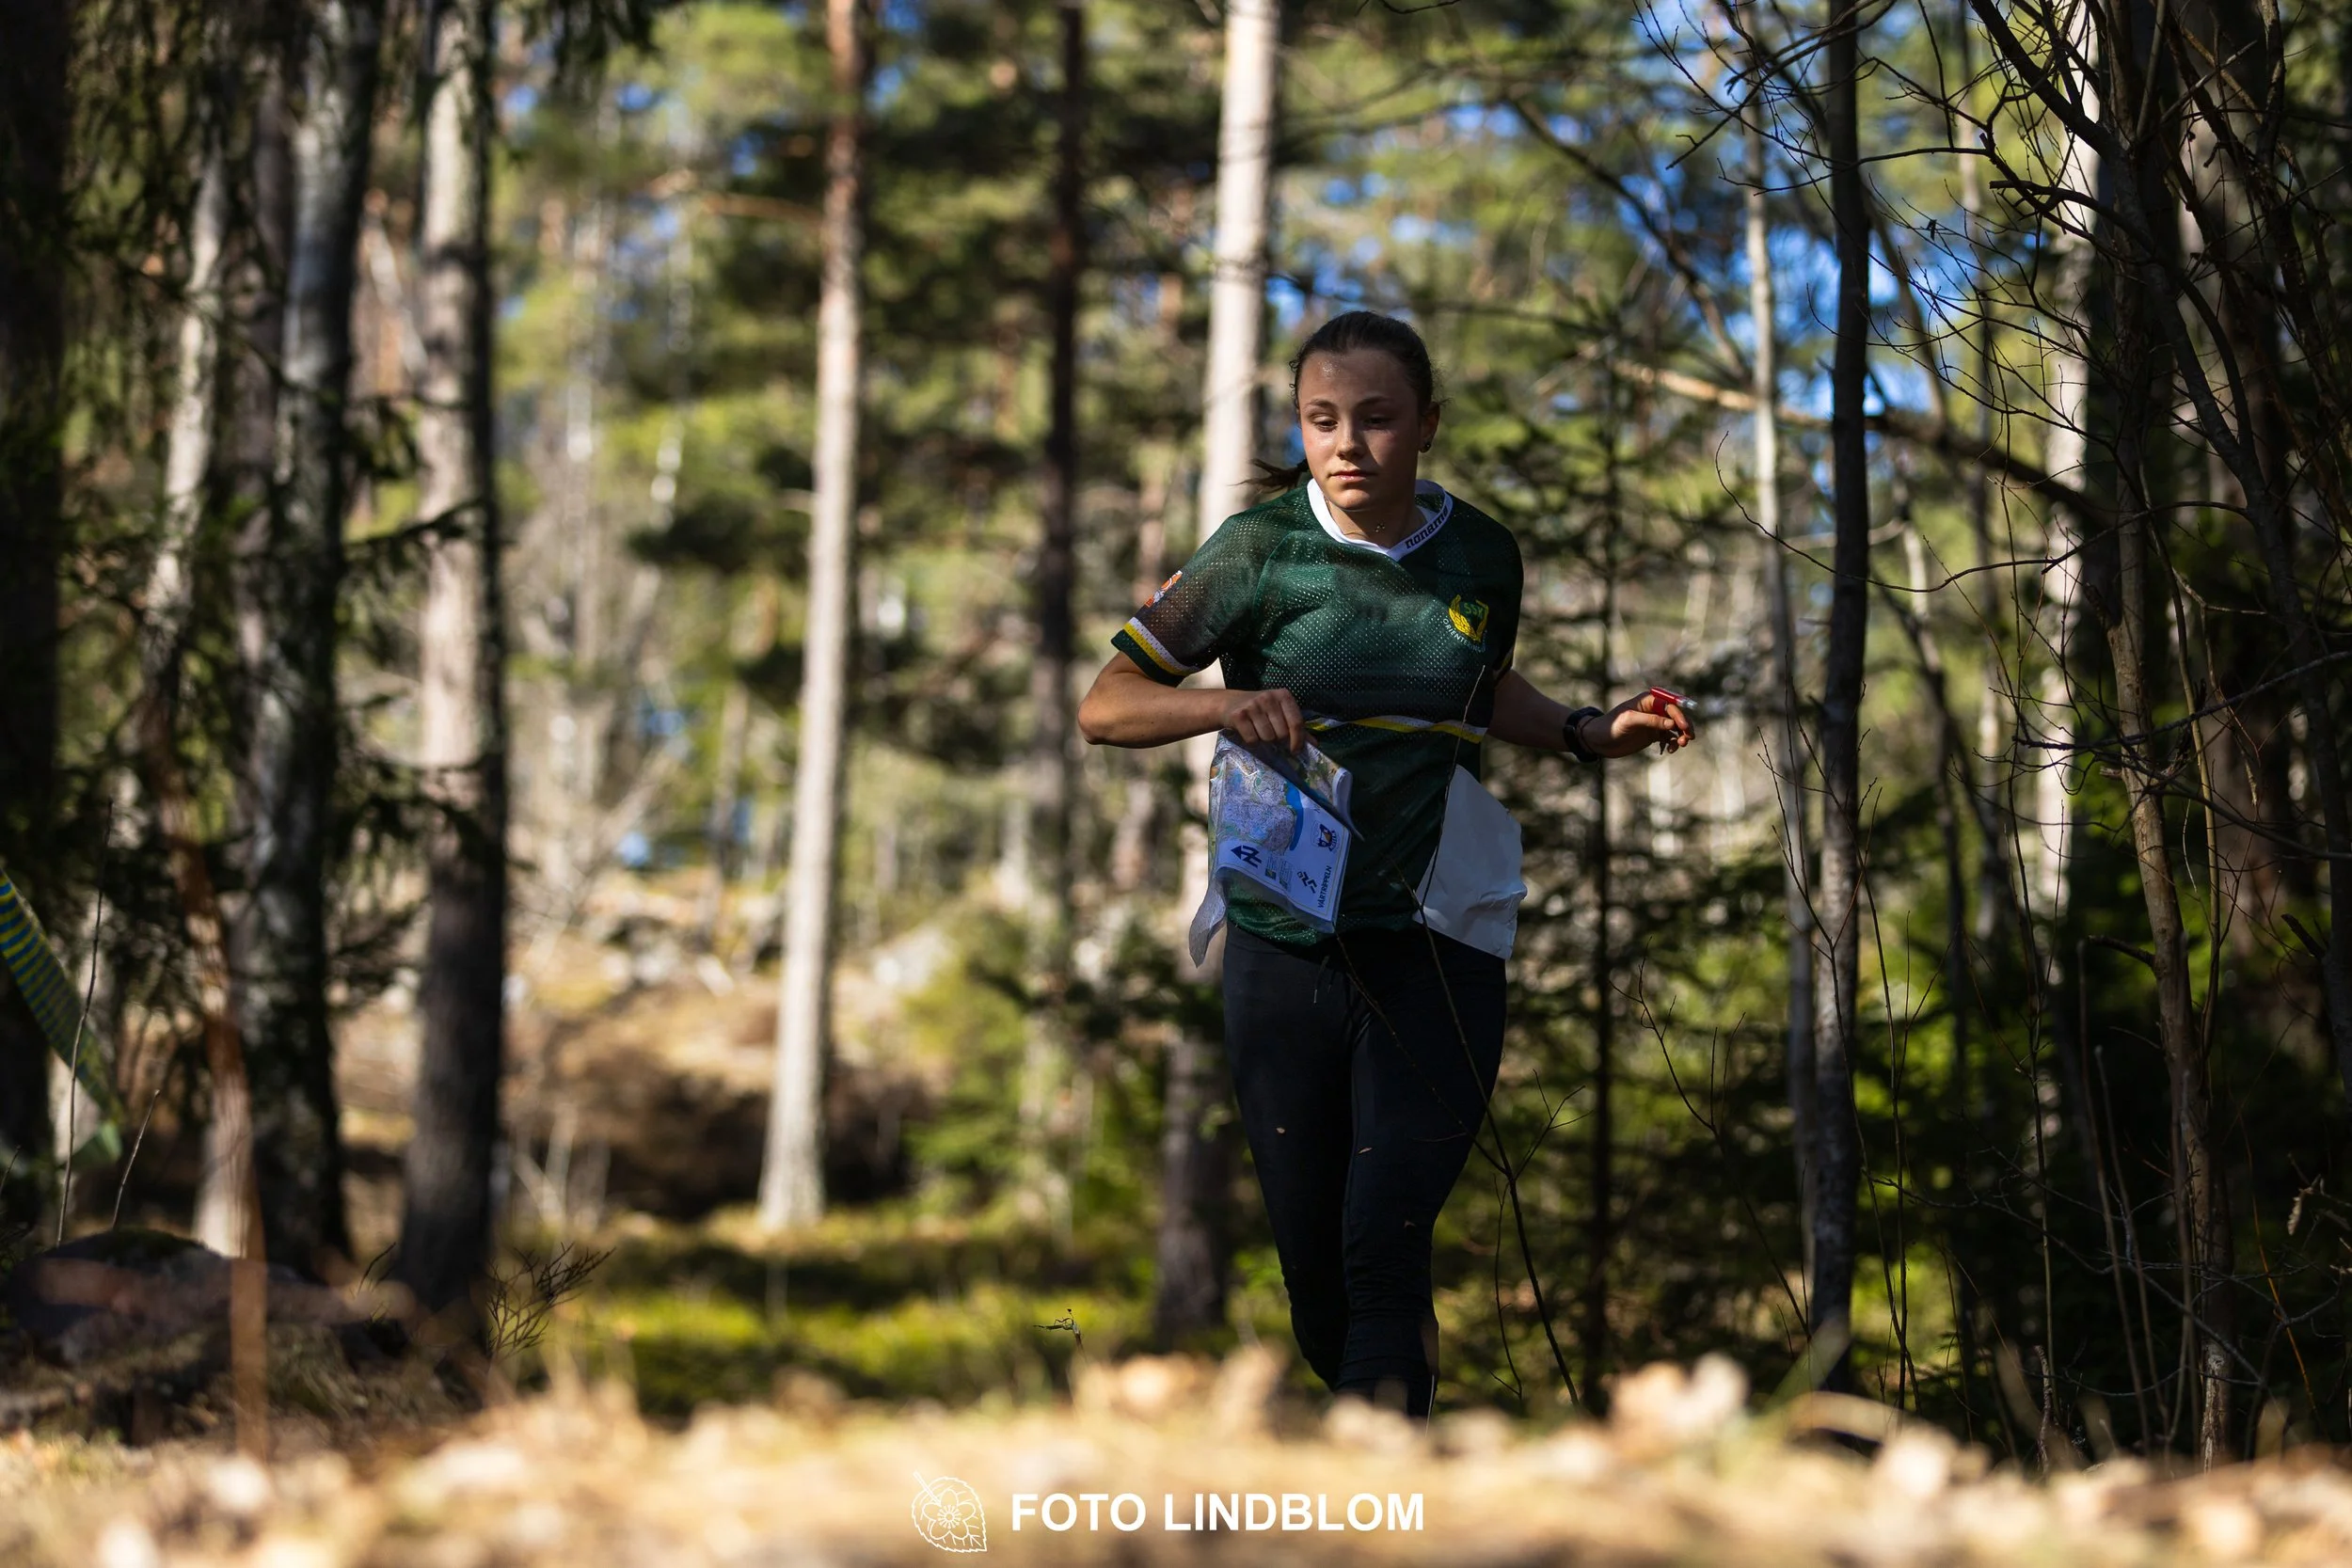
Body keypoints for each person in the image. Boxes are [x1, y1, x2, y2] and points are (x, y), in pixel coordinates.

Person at [1076, 310, 1694, 1418]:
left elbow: (1480, 685)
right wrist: (1226, 700)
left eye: (1375, 418)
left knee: (1384, 1241)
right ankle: (1381, 1436)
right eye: (1322, 420)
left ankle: (1388, 1483)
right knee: (1319, 1271)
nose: (1347, 443)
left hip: (1435, 942)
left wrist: (1588, 730)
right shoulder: (1256, 552)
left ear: (1427, 426)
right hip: (1283, 943)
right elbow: (1105, 704)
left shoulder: (1482, 555)